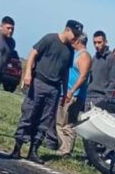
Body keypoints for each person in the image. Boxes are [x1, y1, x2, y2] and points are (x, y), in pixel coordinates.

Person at [9, 20, 83, 164]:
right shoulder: (50, 39)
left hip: (54, 88)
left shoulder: (70, 51)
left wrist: (65, 92)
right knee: (29, 114)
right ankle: (17, 148)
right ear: (67, 30)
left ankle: (33, 150)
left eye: (78, 35)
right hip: (39, 82)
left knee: (45, 120)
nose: (76, 38)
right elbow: (33, 53)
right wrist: (28, 74)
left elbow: (65, 72)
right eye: (74, 34)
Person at [55, 32, 92, 156]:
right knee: (60, 121)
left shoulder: (84, 56)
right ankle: (62, 147)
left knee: (68, 123)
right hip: (65, 92)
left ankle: (66, 150)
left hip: (74, 94)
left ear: (78, 41)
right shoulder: (74, 53)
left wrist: (71, 91)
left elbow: (83, 76)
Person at [86, 30, 115, 109]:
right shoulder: (95, 57)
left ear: (105, 42)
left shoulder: (111, 58)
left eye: (99, 42)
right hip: (89, 96)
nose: (96, 45)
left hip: (101, 97)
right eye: (94, 43)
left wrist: (106, 99)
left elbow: (114, 81)